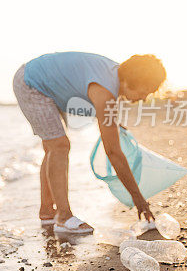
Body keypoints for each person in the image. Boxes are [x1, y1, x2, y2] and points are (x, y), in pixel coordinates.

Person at [12, 52, 166, 234]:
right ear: (135, 80)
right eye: (145, 91)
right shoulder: (105, 88)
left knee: (53, 146)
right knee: (58, 145)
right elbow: (113, 152)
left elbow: (99, 108)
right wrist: (138, 199)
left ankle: (47, 212)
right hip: (31, 83)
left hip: (37, 78)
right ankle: (63, 216)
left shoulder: (113, 77)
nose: (143, 98)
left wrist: (111, 123)